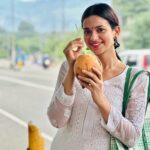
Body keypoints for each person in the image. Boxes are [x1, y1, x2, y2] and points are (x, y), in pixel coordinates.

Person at [47, 3, 148, 150]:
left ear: (116, 31)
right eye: (87, 31)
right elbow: (56, 120)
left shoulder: (136, 79)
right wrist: (71, 70)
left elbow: (132, 138)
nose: (93, 37)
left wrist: (100, 98)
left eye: (100, 29)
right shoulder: (69, 66)